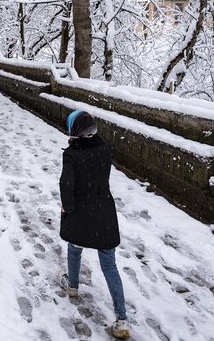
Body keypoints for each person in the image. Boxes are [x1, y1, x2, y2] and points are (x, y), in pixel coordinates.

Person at [58, 109, 131, 340]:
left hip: (81, 212)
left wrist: (67, 208)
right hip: (104, 212)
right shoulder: (104, 148)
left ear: (74, 131)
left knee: (74, 247)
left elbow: (66, 185)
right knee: (109, 265)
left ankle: (72, 285)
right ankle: (121, 319)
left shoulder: (71, 155)